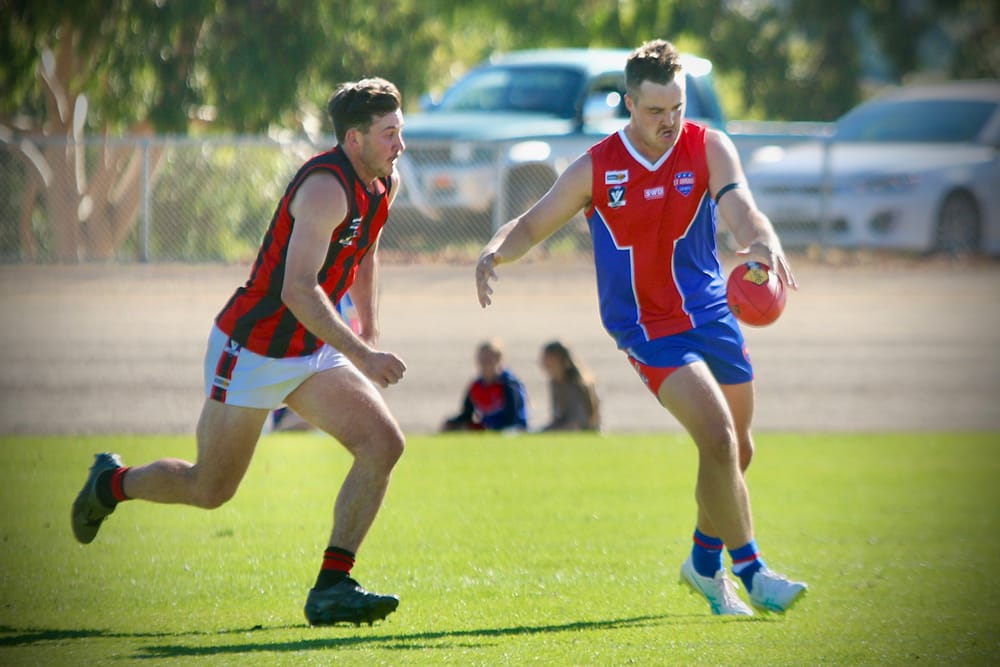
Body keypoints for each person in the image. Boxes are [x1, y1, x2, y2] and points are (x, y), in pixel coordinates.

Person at [475, 40, 807, 616]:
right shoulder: (597, 167)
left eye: (677, 107)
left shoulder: (709, 147)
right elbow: (531, 225)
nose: (669, 121)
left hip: (712, 314)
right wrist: (494, 250)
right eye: (656, 110)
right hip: (648, 328)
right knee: (718, 437)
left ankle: (702, 563)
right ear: (629, 104)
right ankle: (753, 573)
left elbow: (741, 209)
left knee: (737, 449)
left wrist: (763, 241)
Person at [72, 78, 409, 627]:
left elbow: (364, 248)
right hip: (252, 349)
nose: (400, 144)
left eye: (400, 130)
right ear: (354, 138)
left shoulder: (383, 180)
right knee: (209, 489)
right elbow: (297, 290)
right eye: (389, 133)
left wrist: (368, 323)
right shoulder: (325, 188)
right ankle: (110, 483)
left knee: (382, 444)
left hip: (311, 347)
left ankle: (332, 586)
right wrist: (365, 356)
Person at [441, 339, 528, 432]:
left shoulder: (509, 384)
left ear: (499, 359)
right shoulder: (476, 386)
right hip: (488, 427)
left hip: (510, 428)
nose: (484, 363)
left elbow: (512, 417)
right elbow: (467, 414)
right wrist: (452, 423)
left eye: (488, 359)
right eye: (482, 359)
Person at [538, 340, 600, 432]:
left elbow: (579, 423)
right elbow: (558, 418)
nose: (542, 362)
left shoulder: (576, 384)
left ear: (558, 358)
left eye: (546, 357)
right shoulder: (555, 383)